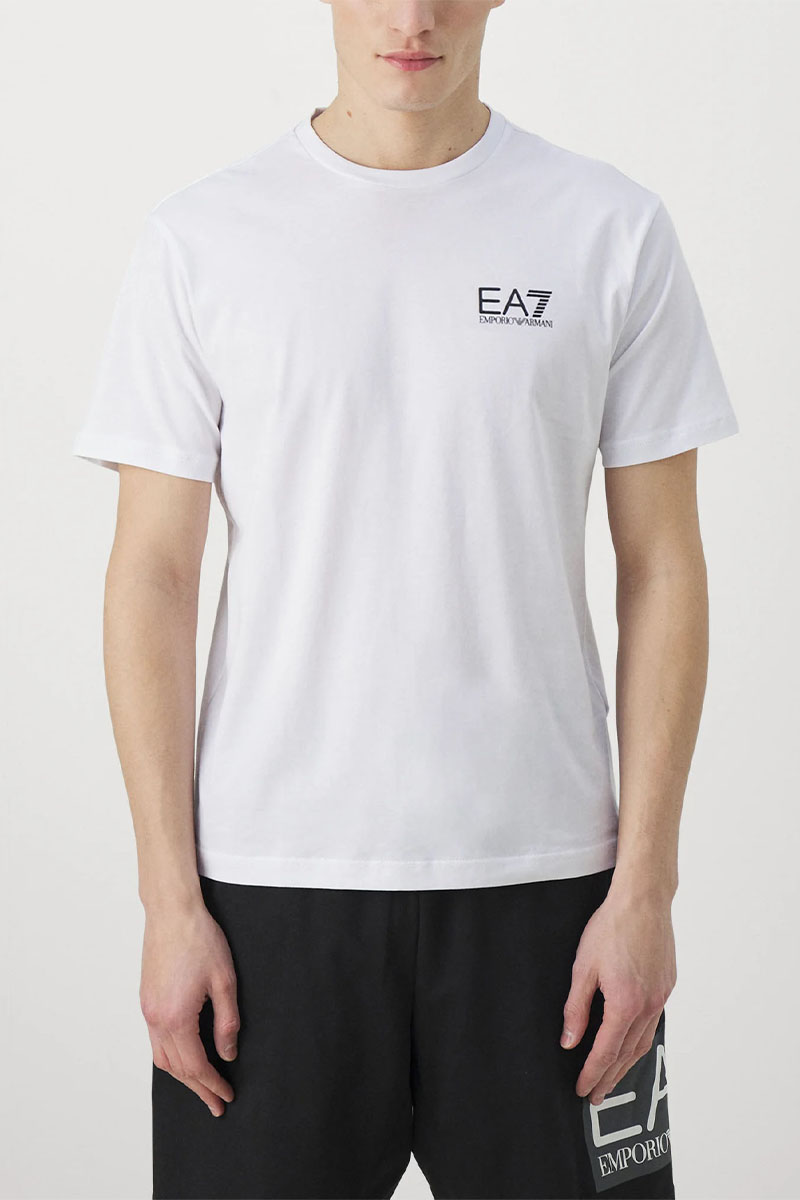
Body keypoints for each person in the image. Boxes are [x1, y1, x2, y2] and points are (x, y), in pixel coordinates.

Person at [72, 2, 740, 1197]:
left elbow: (661, 565)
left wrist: (643, 891)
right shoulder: (202, 241)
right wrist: (168, 901)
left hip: (553, 901)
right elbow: (152, 578)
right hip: (266, 900)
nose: (412, 17)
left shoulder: (607, 229)